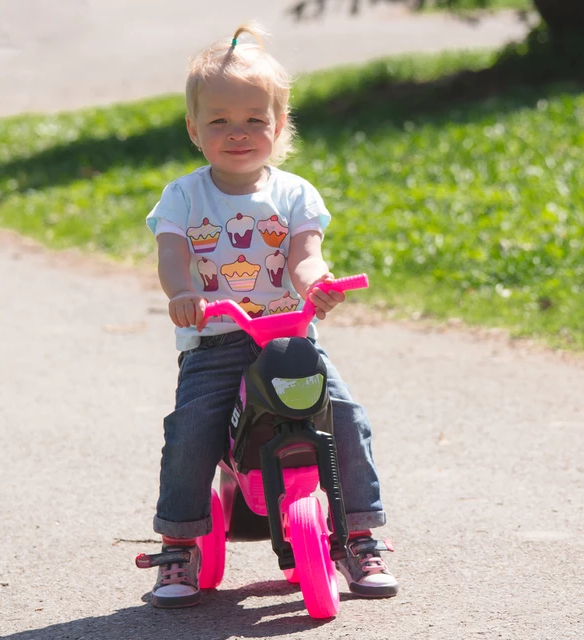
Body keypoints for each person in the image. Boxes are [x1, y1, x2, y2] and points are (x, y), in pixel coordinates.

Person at [144, 21, 398, 609]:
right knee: (190, 431)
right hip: (216, 342)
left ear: (279, 126)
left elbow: (305, 258)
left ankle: (359, 534)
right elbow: (173, 256)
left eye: (255, 119)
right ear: (194, 128)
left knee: (347, 416)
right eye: (219, 121)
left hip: (287, 339)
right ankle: (178, 547)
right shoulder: (183, 197)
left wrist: (320, 285)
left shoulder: (294, 194)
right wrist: (183, 293)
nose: (239, 133)